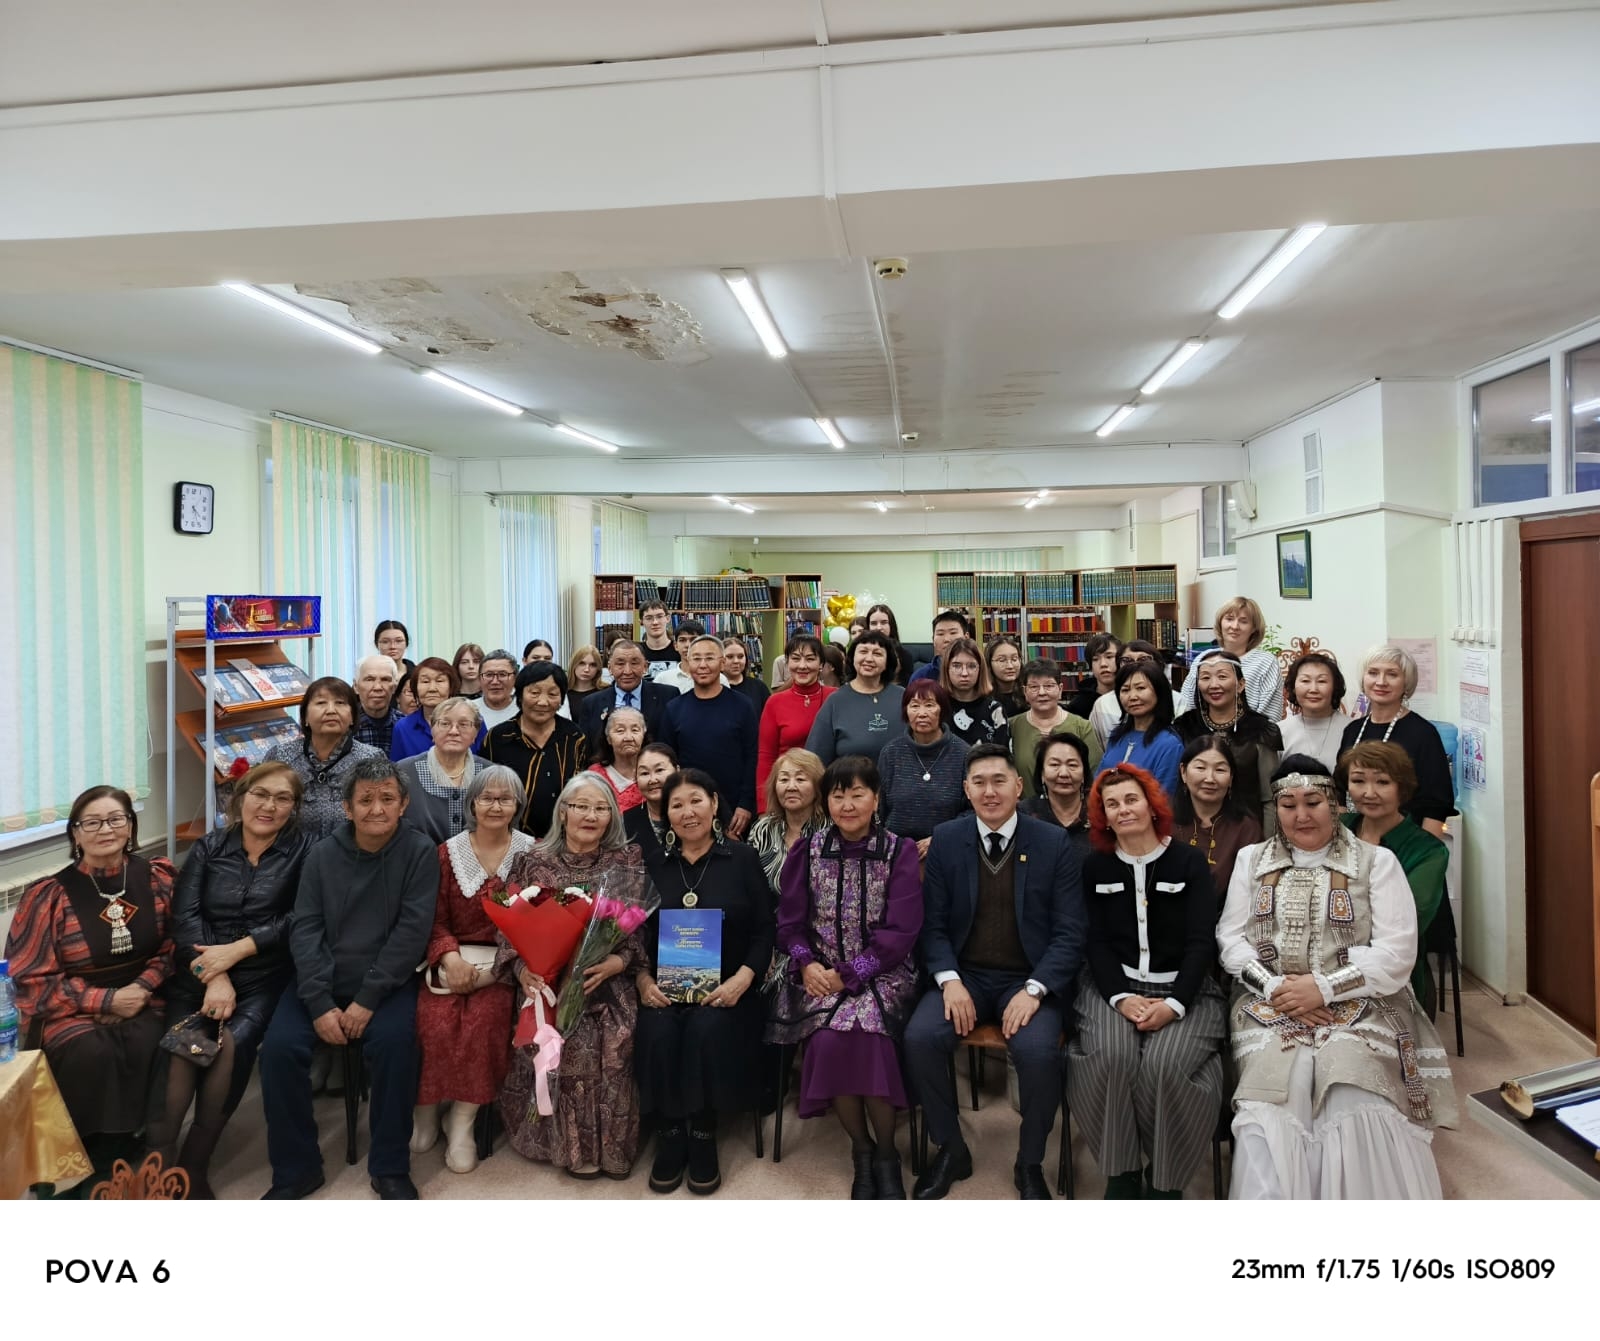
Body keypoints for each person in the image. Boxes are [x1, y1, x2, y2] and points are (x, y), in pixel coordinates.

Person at [1218, 754, 1457, 1199]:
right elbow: (1231, 940)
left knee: (1351, 1087)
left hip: (1363, 1001)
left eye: (1312, 802)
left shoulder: (1377, 862)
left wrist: (1324, 988)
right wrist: (1276, 988)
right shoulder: (1252, 860)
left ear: (1334, 803)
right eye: (1288, 805)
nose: (1301, 816)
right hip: (1269, 1001)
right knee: (1275, 1092)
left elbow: (1396, 954)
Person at [905, 746, 1088, 1200]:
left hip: (1028, 978)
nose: (990, 792)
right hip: (964, 975)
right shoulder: (947, 838)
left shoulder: (1052, 842)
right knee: (920, 1038)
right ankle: (951, 1148)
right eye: (979, 783)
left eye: (999, 781)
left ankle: (1030, 1162)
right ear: (966, 790)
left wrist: (1036, 989)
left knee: (1039, 1052)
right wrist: (949, 980)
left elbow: (1070, 932)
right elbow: (933, 925)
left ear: (1018, 786)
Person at [259, 758, 439, 1200]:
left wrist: (367, 999)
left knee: (396, 1045)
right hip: (320, 980)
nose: (377, 809)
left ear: (404, 804)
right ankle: (297, 1169)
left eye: (387, 799)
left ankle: (390, 1166)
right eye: (365, 800)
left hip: (386, 983)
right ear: (347, 807)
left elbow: (411, 933)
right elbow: (306, 928)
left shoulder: (420, 852)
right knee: (279, 1049)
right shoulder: (322, 855)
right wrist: (319, 1002)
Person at [152, 762, 313, 1196]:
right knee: (183, 1047)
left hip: (264, 974)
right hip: (199, 969)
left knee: (230, 1046)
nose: (269, 806)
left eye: (282, 798)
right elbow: (185, 919)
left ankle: (194, 1164)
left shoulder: (306, 849)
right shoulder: (209, 848)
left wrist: (240, 949)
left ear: (294, 807)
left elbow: (301, 916)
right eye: (260, 794)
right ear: (240, 798)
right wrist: (215, 976)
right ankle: (158, 1166)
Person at [768, 756, 924, 1198]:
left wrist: (852, 973)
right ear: (827, 802)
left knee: (871, 1038)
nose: (848, 805)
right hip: (817, 973)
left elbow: (901, 933)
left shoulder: (898, 850)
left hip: (884, 973)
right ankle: (861, 1148)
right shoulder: (807, 850)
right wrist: (807, 963)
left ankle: (887, 1153)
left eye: (858, 794)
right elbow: (789, 923)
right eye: (839, 795)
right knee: (828, 1040)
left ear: (876, 799)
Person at [5, 787, 175, 1182]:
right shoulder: (49, 895)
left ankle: (131, 1142)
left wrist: (140, 990)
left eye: (116, 819)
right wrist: (106, 1001)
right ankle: (80, 1157)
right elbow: (30, 978)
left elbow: (175, 946)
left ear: (130, 827)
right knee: (87, 1048)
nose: (106, 830)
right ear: (75, 834)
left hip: (144, 994)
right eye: (92, 823)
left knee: (151, 1037)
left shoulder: (159, 878)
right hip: (70, 1005)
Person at [1070, 764, 1224, 1198]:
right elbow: (1096, 943)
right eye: (1111, 804)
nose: (1122, 810)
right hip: (1112, 988)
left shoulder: (1189, 861)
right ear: (1102, 816)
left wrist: (1174, 1004)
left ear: (1152, 805)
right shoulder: (1095, 867)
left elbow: (1201, 943)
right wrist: (1120, 998)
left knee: (1164, 1066)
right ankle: (1121, 1173)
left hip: (1184, 990)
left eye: (1131, 799)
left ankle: (1164, 1180)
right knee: (1111, 1057)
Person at [500, 774, 650, 1179]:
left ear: (612, 817)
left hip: (606, 978)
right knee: (561, 1036)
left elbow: (639, 925)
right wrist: (522, 970)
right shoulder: (533, 860)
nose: (591, 815)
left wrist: (620, 961)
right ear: (563, 812)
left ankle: (608, 1147)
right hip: (546, 982)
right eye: (581, 806)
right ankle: (567, 1147)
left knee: (613, 1036)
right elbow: (509, 925)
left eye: (601, 808)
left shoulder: (625, 859)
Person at [636, 769, 776, 1195]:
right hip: (664, 989)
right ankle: (669, 1131)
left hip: (730, 989)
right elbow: (634, 933)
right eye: (677, 805)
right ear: (667, 814)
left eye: (696, 801)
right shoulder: (653, 863)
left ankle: (701, 1130)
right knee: (658, 1031)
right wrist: (642, 979)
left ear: (714, 804)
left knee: (705, 1028)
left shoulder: (743, 858)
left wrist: (742, 980)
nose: (688, 812)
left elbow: (765, 930)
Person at [412, 766, 533, 1174]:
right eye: (487, 798)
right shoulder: (446, 853)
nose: (495, 806)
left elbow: (534, 926)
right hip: (450, 961)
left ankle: (462, 1121)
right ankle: (426, 1109)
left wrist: (496, 970)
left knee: (485, 1023)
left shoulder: (533, 855)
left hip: (504, 968)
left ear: (517, 805)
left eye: (505, 798)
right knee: (432, 1021)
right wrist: (449, 958)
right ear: (473, 803)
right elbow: (432, 919)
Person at [1338, 741, 1450, 1014]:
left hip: (1392, 977)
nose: (1369, 793)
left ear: (1403, 787)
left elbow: (1409, 920)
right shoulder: (1337, 830)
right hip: (1323, 963)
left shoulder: (1427, 850)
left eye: (1383, 782)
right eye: (1358, 781)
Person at [1338, 644, 1456, 838]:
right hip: (1355, 840)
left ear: (1406, 683)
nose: (1381, 682)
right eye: (1373, 673)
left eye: (1392, 674)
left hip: (1406, 843)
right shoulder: (1353, 730)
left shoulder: (1423, 734)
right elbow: (1340, 791)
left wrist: (1425, 850)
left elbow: (1436, 804)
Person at [657, 636, 759, 839]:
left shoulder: (742, 706)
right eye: (696, 659)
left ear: (722, 663)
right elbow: (667, 763)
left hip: (735, 809)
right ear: (688, 663)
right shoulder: (674, 709)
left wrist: (746, 804)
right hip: (689, 809)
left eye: (709, 658)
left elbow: (753, 756)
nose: (702, 665)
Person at [1173, 647, 1283, 829]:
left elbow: (1269, 798)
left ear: (1240, 684)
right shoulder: (1184, 727)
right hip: (1192, 829)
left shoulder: (1261, 729)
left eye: (1222, 676)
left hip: (1246, 830)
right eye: (1205, 678)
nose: (1213, 685)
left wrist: (1266, 842)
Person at [480, 661, 592, 838]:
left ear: (562, 699)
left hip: (565, 839)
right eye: (534, 693)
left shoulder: (575, 738)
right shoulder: (497, 738)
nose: (543, 702)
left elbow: (583, 789)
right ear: (520, 695)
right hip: (509, 838)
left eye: (552, 694)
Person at [266, 675, 384, 838]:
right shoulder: (280, 756)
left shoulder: (371, 758)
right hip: (290, 851)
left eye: (340, 703)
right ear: (305, 717)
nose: (331, 710)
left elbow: (381, 814)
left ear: (352, 717)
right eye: (321, 703)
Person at [877, 680, 970, 855]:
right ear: (905, 711)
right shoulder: (891, 753)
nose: (922, 713)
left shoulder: (963, 753)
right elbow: (879, 809)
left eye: (929, 705)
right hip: (895, 851)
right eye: (914, 706)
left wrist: (941, 838)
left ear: (942, 709)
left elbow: (972, 810)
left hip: (948, 849)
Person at [1170, 734, 1263, 906]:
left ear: (1231, 777)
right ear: (1183, 772)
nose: (1210, 779)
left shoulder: (1246, 827)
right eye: (1200, 768)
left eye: (1220, 770)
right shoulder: (1164, 821)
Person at [394, 697, 489, 844]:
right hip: (419, 857)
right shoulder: (403, 771)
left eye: (463, 724)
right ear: (432, 729)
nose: (454, 731)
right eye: (445, 723)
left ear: (476, 733)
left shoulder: (489, 774)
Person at [757, 634, 835, 810]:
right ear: (787, 663)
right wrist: (764, 806)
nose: (802, 665)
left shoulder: (835, 698)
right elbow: (766, 757)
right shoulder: (775, 702)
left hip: (827, 794)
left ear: (821, 664)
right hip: (788, 793)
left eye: (810, 659)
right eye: (795, 658)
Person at [805, 630, 906, 764]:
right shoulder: (835, 701)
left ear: (888, 661)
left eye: (877, 653)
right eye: (863, 652)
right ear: (852, 658)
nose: (869, 659)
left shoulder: (904, 697)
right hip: (848, 777)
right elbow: (815, 760)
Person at [1176, 597, 1284, 720]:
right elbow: (1185, 704)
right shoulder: (1203, 658)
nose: (1235, 626)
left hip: (1253, 730)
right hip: (1202, 730)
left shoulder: (1266, 662)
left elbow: (1271, 716)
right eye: (1229, 619)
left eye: (1243, 621)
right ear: (1220, 622)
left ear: (1254, 628)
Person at [1010, 659, 1102, 799]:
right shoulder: (1012, 726)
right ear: (1025, 692)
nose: (1042, 692)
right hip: (1024, 809)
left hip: (1074, 807)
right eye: (1034, 687)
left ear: (1060, 689)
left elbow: (1095, 774)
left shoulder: (1082, 727)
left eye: (1049, 686)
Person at [745, 748, 826, 897]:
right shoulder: (762, 829)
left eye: (800, 779)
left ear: (817, 787)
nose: (791, 787)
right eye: (784, 780)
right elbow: (748, 884)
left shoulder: (830, 830)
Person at [1098, 660, 1184, 797]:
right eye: (1125, 690)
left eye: (1141, 688)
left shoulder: (1169, 744)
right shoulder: (1117, 736)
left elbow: (1165, 798)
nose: (1132, 697)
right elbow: (1098, 785)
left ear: (1159, 691)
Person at [577, 639, 676, 748]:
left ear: (645, 667)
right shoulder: (591, 704)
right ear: (610, 668)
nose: (627, 671)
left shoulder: (667, 696)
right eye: (620, 664)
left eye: (634, 663)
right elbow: (586, 749)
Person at [391, 657, 485, 762]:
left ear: (451, 686)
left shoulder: (473, 720)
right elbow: (398, 768)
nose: (432, 689)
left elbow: (485, 765)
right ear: (415, 688)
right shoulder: (403, 727)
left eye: (440, 681)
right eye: (425, 681)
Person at [1022, 733, 1093, 868]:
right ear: (1042, 774)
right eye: (1054, 764)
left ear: (1084, 773)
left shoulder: (1099, 813)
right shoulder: (1025, 813)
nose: (1064, 773)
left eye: (1072, 765)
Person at [1280, 650, 1349, 771]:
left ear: (1334, 687)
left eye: (1322, 681)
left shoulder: (1352, 729)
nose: (1313, 689)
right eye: (1305, 681)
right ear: (1293, 687)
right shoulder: (1280, 731)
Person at [940, 636, 1012, 749]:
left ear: (980, 669)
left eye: (972, 666)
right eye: (956, 666)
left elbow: (1003, 754)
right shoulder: (938, 708)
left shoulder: (994, 709)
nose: (964, 673)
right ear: (946, 669)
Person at [1090, 640, 1161, 746]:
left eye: (1144, 659)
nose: (1135, 665)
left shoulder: (1178, 701)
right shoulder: (1103, 705)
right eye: (1127, 660)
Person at [588, 705, 647, 812]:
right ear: (608, 739)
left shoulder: (654, 773)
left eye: (635, 730)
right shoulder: (595, 776)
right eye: (620, 731)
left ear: (643, 735)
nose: (628, 738)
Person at [625, 742, 678, 855]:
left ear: (677, 770)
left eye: (659, 770)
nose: (652, 780)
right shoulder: (625, 822)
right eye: (644, 773)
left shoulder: (693, 815)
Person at [353, 653, 402, 753]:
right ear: (356, 686)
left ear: (394, 687)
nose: (377, 687)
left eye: (385, 679)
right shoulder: (345, 726)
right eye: (369, 679)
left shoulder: (406, 726)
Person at [908, 608, 973, 683]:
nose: (946, 639)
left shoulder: (978, 671)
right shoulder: (921, 676)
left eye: (953, 633)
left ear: (966, 637)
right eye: (940, 634)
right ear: (933, 640)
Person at [1066, 632, 1121, 721]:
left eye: (1109, 657)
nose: (1103, 664)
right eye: (1095, 659)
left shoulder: (1131, 697)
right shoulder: (1079, 706)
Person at [866, 602, 913, 686]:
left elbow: (906, 688)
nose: (879, 628)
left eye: (884, 622)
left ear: (891, 625)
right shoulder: (859, 653)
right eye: (873, 623)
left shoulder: (904, 655)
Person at [722, 637, 770, 716]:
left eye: (740, 656)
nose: (736, 661)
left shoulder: (759, 687)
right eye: (730, 657)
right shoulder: (713, 688)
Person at [476, 648, 522, 730]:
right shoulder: (468, 709)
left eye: (502, 674)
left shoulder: (524, 710)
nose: (495, 682)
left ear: (515, 678)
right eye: (489, 675)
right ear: (479, 679)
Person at [986, 634, 1027, 717]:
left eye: (1014, 659)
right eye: (1002, 660)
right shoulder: (983, 698)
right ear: (989, 663)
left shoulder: (1029, 693)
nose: (1010, 666)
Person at [638, 599, 679, 676]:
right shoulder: (636, 652)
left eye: (659, 616)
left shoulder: (679, 650)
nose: (655, 622)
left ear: (668, 618)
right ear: (641, 622)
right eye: (649, 618)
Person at [565, 644, 605, 718]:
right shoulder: (563, 692)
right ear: (574, 665)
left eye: (593, 665)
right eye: (582, 663)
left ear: (598, 669)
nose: (587, 669)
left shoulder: (605, 692)